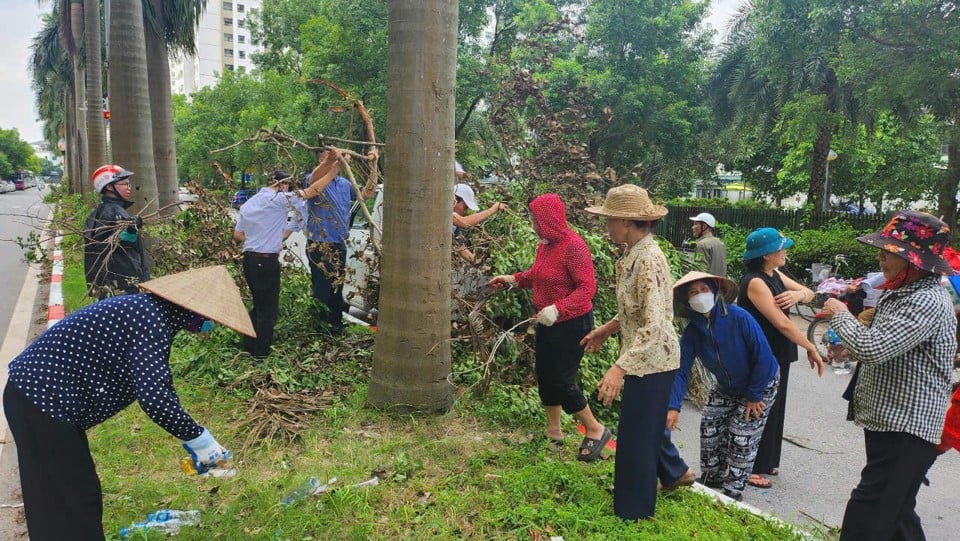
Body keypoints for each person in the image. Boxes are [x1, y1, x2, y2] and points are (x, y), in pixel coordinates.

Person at [3, 265, 254, 540]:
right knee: (70, 498)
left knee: (62, 496)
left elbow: (154, 383)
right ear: (195, 309)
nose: (211, 325)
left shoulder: (149, 312)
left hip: (39, 400)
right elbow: (155, 398)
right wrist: (200, 439)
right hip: (41, 400)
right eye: (211, 318)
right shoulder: (151, 319)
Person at [820, 210, 956, 541]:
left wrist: (840, 314)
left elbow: (875, 348)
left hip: (908, 426)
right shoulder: (901, 292)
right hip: (891, 420)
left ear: (916, 261)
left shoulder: (925, 299)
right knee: (895, 512)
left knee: (870, 512)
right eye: (883, 250)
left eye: (891, 253)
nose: (881, 258)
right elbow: (891, 347)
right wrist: (847, 349)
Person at [578, 184, 686, 520]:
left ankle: (634, 514)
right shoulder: (633, 255)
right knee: (640, 432)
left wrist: (618, 368)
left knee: (637, 438)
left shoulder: (648, 259)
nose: (606, 226)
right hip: (644, 357)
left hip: (654, 360)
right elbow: (634, 311)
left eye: (610, 220)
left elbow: (654, 325)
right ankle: (664, 480)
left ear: (626, 221)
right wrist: (606, 329)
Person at [487, 193, 607, 457]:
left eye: (535, 219)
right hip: (547, 321)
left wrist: (559, 308)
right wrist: (512, 279)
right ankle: (554, 431)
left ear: (548, 219)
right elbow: (538, 275)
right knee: (545, 375)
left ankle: (594, 428)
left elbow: (587, 288)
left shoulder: (574, 246)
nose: (532, 224)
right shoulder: (546, 245)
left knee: (562, 379)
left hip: (572, 322)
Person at [668, 271, 780, 501]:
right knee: (709, 426)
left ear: (716, 291)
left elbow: (764, 357)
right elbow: (681, 370)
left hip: (760, 383)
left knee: (741, 434)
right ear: (686, 300)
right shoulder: (692, 333)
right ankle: (713, 478)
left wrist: (754, 394)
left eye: (704, 290)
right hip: (726, 387)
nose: (699, 296)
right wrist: (673, 406)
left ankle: (733, 491)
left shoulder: (740, 318)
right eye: (692, 292)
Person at [233, 149, 342, 358]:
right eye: (286, 186)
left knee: (258, 306)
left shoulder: (249, 204)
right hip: (266, 263)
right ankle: (260, 356)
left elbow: (238, 235)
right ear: (280, 184)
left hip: (249, 260)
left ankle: (248, 345)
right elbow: (312, 191)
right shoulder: (278, 200)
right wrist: (334, 170)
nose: (287, 189)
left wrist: (263, 236)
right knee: (268, 312)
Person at [738, 227, 824, 488]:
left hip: (779, 352)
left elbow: (810, 293)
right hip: (762, 353)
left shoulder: (774, 273)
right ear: (767, 255)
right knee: (757, 407)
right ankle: (747, 465)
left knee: (774, 407)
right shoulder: (755, 282)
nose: (785, 251)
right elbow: (782, 324)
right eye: (781, 247)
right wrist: (811, 346)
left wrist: (799, 294)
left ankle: (765, 462)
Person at [301, 153, 377, 334]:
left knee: (337, 289)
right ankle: (319, 328)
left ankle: (335, 326)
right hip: (319, 244)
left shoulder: (344, 184)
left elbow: (366, 194)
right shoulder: (313, 180)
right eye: (328, 157)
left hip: (338, 244)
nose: (337, 159)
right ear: (321, 160)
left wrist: (374, 166)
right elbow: (315, 180)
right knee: (322, 290)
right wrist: (333, 163)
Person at [83, 164, 150, 299]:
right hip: (122, 283)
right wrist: (131, 229)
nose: (129, 187)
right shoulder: (114, 212)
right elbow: (118, 242)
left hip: (110, 283)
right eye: (124, 184)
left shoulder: (101, 211)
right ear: (109, 186)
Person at [689, 212, 727, 276]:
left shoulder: (702, 245)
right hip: (720, 283)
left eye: (695, 224)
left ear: (704, 226)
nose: (693, 227)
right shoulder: (721, 243)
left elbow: (700, 270)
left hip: (706, 284)